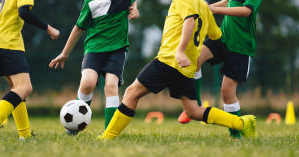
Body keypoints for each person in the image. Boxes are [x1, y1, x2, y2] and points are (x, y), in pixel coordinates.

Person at [99, 0, 257, 140]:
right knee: (194, 111)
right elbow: (216, 35)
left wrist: (181, 50)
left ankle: (108, 137)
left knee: (131, 93)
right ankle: (241, 123)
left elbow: (190, 22)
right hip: (186, 69)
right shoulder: (203, 6)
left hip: (168, 61)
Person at [0, 0, 60, 139]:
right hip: (7, 42)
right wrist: (48, 28)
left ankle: (25, 135)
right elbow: (24, 12)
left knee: (16, 87)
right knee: (25, 87)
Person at [49, 0, 139, 134]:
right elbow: (79, 27)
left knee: (111, 86)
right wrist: (64, 53)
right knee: (87, 83)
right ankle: (74, 126)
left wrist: (134, 7)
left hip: (117, 50)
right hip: (94, 49)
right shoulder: (90, 2)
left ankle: (110, 132)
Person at [178, 0, 262, 139]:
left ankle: (235, 135)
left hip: (240, 47)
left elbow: (246, 11)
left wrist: (216, 10)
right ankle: (196, 102)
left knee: (227, 92)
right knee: (195, 58)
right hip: (222, 38)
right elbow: (228, 1)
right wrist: (206, 8)